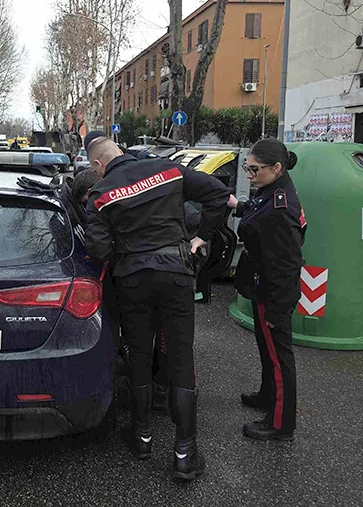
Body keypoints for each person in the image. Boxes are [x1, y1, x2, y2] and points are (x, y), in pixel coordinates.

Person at [83, 132, 229, 480]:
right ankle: (185, 453)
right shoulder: (167, 169)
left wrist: (125, 254)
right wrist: (199, 238)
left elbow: (97, 248)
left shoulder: (100, 195)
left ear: (97, 164)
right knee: (180, 358)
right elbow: (218, 195)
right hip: (176, 274)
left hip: (132, 280)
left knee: (139, 356)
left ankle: (142, 438)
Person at [228, 138, 307, 441]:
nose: (249, 175)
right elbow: (257, 211)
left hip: (275, 291)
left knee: (279, 357)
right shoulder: (273, 189)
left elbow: (288, 263)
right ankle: (267, 395)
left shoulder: (281, 207)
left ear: (276, 167)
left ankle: (281, 423)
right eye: (246, 168)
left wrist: (277, 306)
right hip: (264, 284)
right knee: (267, 348)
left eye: (254, 169)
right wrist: (237, 206)